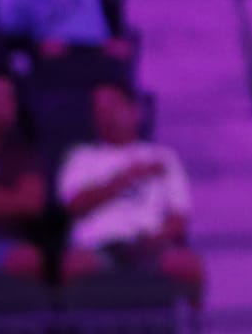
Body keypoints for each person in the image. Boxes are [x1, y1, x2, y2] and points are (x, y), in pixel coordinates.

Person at [59, 81, 203, 304]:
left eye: (111, 108)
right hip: (97, 248)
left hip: (149, 245)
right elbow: (74, 206)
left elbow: (179, 219)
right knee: (72, 266)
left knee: (189, 266)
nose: (104, 115)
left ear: (134, 112)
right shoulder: (81, 158)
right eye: (99, 110)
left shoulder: (163, 157)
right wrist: (125, 179)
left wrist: (155, 241)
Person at [0, 66, 45, 280]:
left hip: (9, 244)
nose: (0, 105)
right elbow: (19, 201)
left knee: (36, 261)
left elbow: (31, 203)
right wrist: (9, 199)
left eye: (6, 98)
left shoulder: (23, 152)